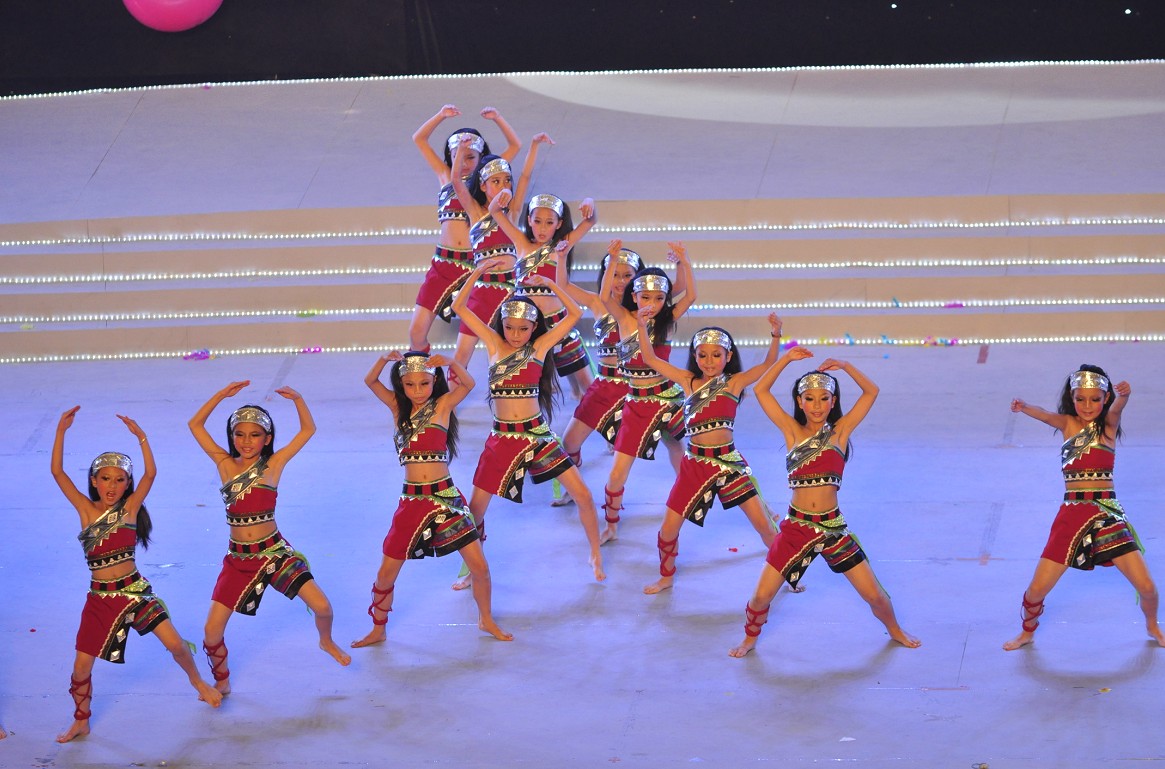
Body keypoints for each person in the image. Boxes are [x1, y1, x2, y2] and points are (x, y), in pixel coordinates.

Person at [729, 352, 921, 657]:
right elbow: (761, 389)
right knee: (760, 597)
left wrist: (845, 365)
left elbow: (871, 391)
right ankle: (749, 638)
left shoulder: (840, 433)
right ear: (799, 401)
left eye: (824, 399)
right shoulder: (791, 432)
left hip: (833, 528)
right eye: (809, 399)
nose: (817, 406)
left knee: (874, 595)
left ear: (833, 401)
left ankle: (895, 630)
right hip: (796, 528)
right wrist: (786, 360)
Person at [51, 407, 222, 743]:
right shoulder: (85, 510)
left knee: (175, 644)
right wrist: (61, 431)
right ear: (93, 480)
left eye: (120, 480)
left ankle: (199, 682)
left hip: (135, 592)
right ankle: (81, 720)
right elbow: (57, 472)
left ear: (128, 484)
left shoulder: (129, 510)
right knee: (81, 668)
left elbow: (151, 474)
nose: (112, 486)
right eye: (105, 478)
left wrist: (141, 437)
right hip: (100, 599)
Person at [451, 259, 606, 585]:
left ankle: (595, 554)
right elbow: (459, 307)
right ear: (502, 324)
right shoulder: (493, 343)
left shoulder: (540, 346)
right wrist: (477, 273)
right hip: (502, 438)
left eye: (523, 328)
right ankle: (470, 569)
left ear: (534, 328)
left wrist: (550, 286)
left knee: (583, 494)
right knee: (476, 510)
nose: (516, 334)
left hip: (537, 435)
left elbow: (574, 314)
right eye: (510, 327)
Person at [189, 384, 350, 695]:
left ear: (268, 438)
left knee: (323, 606)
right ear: (231, 436)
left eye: (255, 435)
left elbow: (308, 430)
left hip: (275, 553)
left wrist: (299, 399)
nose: (246, 441)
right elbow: (195, 425)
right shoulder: (224, 465)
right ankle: (222, 679)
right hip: (238, 560)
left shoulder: (273, 465)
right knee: (211, 631)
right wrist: (220, 395)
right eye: (240, 434)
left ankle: (326, 641)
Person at [351, 351, 512, 647]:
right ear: (401, 385)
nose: (417, 391)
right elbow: (370, 381)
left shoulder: (442, 405)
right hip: (412, 501)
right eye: (410, 385)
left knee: (480, 567)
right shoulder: (397, 409)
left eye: (424, 384)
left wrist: (452, 363)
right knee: (386, 573)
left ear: (434, 381)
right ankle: (378, 629)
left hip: (446, 497)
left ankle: (486, 619)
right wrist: (383, 360)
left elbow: (469, 384)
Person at [1002, 364, 1164, 650]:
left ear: (1105, 398)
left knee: (1148, 587)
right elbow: (1045, 414)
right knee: (1036, 590)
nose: (1087, 406)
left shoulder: (1109, 425)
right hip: (1072, 515)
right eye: (1080, 399)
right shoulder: (1068, 424)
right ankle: (1027, 632)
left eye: (1095, 399)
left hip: (1108, 514)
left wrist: (1124, 396)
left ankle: (1152, 625)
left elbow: (1118, 409)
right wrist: (1024, 407)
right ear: (1072, 397)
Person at [637, 314, 784, 594]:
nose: (709, 361)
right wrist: (642, 328)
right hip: (695, 465)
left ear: (728, 356)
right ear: (694, 356)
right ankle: (666, 577)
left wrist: (776, 335)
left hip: (729, 463)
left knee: (765, 526)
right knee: (667, 530)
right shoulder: (688, 381)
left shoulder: (734, 383)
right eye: (702, 355)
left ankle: (787, 573)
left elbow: (768, 363)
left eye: (716, 355)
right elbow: (650, 359)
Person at [598, 244, 697, 543]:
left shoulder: (667, 320)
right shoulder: (624, 318)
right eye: (645, 297)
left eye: (658, 298)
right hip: (638, 403)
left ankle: (685, 500)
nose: (651, 303)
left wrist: (684, 261)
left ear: (666, 300)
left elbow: (690, 295)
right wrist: (612, 260)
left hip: (668, 399)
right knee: (617, 472)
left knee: (679, 449)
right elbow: (604, 297)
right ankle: (611, 525)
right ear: (634, 296)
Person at [408, 104, 520, 353]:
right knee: (416, 333)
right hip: (444, 264)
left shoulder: (488, 180)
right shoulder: (445, 177)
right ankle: (424, 374)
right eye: (459, 154)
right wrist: (440, 115)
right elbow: (419, 139)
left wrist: (498, 118)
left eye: (471, 157)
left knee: (484, 338)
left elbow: (515, 146)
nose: (465, 162)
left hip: (479, 266)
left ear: (481, 158)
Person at [447, 133, 549, 372]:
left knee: (512, 352)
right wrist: (460, 150)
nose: (504, 186)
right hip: (481, 292)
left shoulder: (512, 212)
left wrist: (534, 144)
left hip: (510, 291)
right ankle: (452, 396)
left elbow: (525, 177)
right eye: (496, 181)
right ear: (483, 185)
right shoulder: (475, 211)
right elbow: (456, 180)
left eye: (507, 181)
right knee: (461, 354)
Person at [487, 188, 598, 398]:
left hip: (559, 324)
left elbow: (590, 221)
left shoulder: (562, 245)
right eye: (537, 221)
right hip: (528, 328)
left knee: (588, 387)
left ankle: (579, 396)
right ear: (529, 220)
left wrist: (589, 201)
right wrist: (503, 193)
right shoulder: (521, 243)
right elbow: (495, 212)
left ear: (559, 223)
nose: (543, 228)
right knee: (529, 386)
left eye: (549, 222)